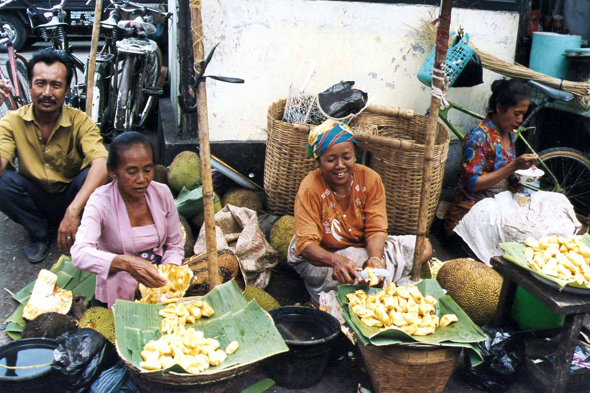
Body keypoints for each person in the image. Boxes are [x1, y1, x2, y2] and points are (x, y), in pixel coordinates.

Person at [287, 119, 432, 304]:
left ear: (355, 155)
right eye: (331, 160)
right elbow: (306, 246)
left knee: (423, 248)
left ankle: (369, 280)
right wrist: (335, 261)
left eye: (346, 157)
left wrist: (375, 258)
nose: (340, 165)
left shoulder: (370, 179)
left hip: (364, 247)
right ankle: (361, 286)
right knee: (357, 274)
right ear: (319, 161)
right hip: (322, 255)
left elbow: (376, 228)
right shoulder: (310, 188)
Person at [0, 49, 109, 263]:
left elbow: (102, 164)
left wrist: (73, 211)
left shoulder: (80, 121)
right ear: (30, 86)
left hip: (72, 197)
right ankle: (38, 233)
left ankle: (78, 227)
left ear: (67, 89)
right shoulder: (12, 121)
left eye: (56, 85)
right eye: (40, 83)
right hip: (34, 196)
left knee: (96, 173)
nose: (47, 92)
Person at [71, 132, 184, 309]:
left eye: (147, 170)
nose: (142, 179)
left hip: (159, 289)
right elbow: (79, 254)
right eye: (132, 172)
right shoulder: (100, 201)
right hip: (114, 294)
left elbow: (175, 245)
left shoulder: (162, 194)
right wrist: (126, 263)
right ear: (112, 171)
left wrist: (167, 274)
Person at [444, 78, 538, 235]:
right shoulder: (478, 136)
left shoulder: (509, 134)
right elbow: (473, 184)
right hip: (473, 208)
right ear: (500, 108)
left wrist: (527, 174)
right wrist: (514, 166)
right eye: (517, 114)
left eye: (523, 114)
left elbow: (510, 178)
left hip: (501, 202)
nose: (520, 120)